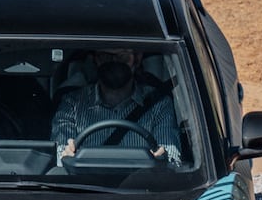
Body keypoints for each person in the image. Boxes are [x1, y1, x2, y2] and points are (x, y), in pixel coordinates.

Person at [51, 48, 182, 164]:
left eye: (122, 57)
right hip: (85, 183)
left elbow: (171, 157)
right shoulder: (72, 103)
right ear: (96, 60)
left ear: (137, 59)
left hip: (142, 182)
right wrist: (67, 156)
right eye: (106, 57)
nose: (114, 62)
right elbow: (60, 155)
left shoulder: (159, 104)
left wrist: (161, 160)